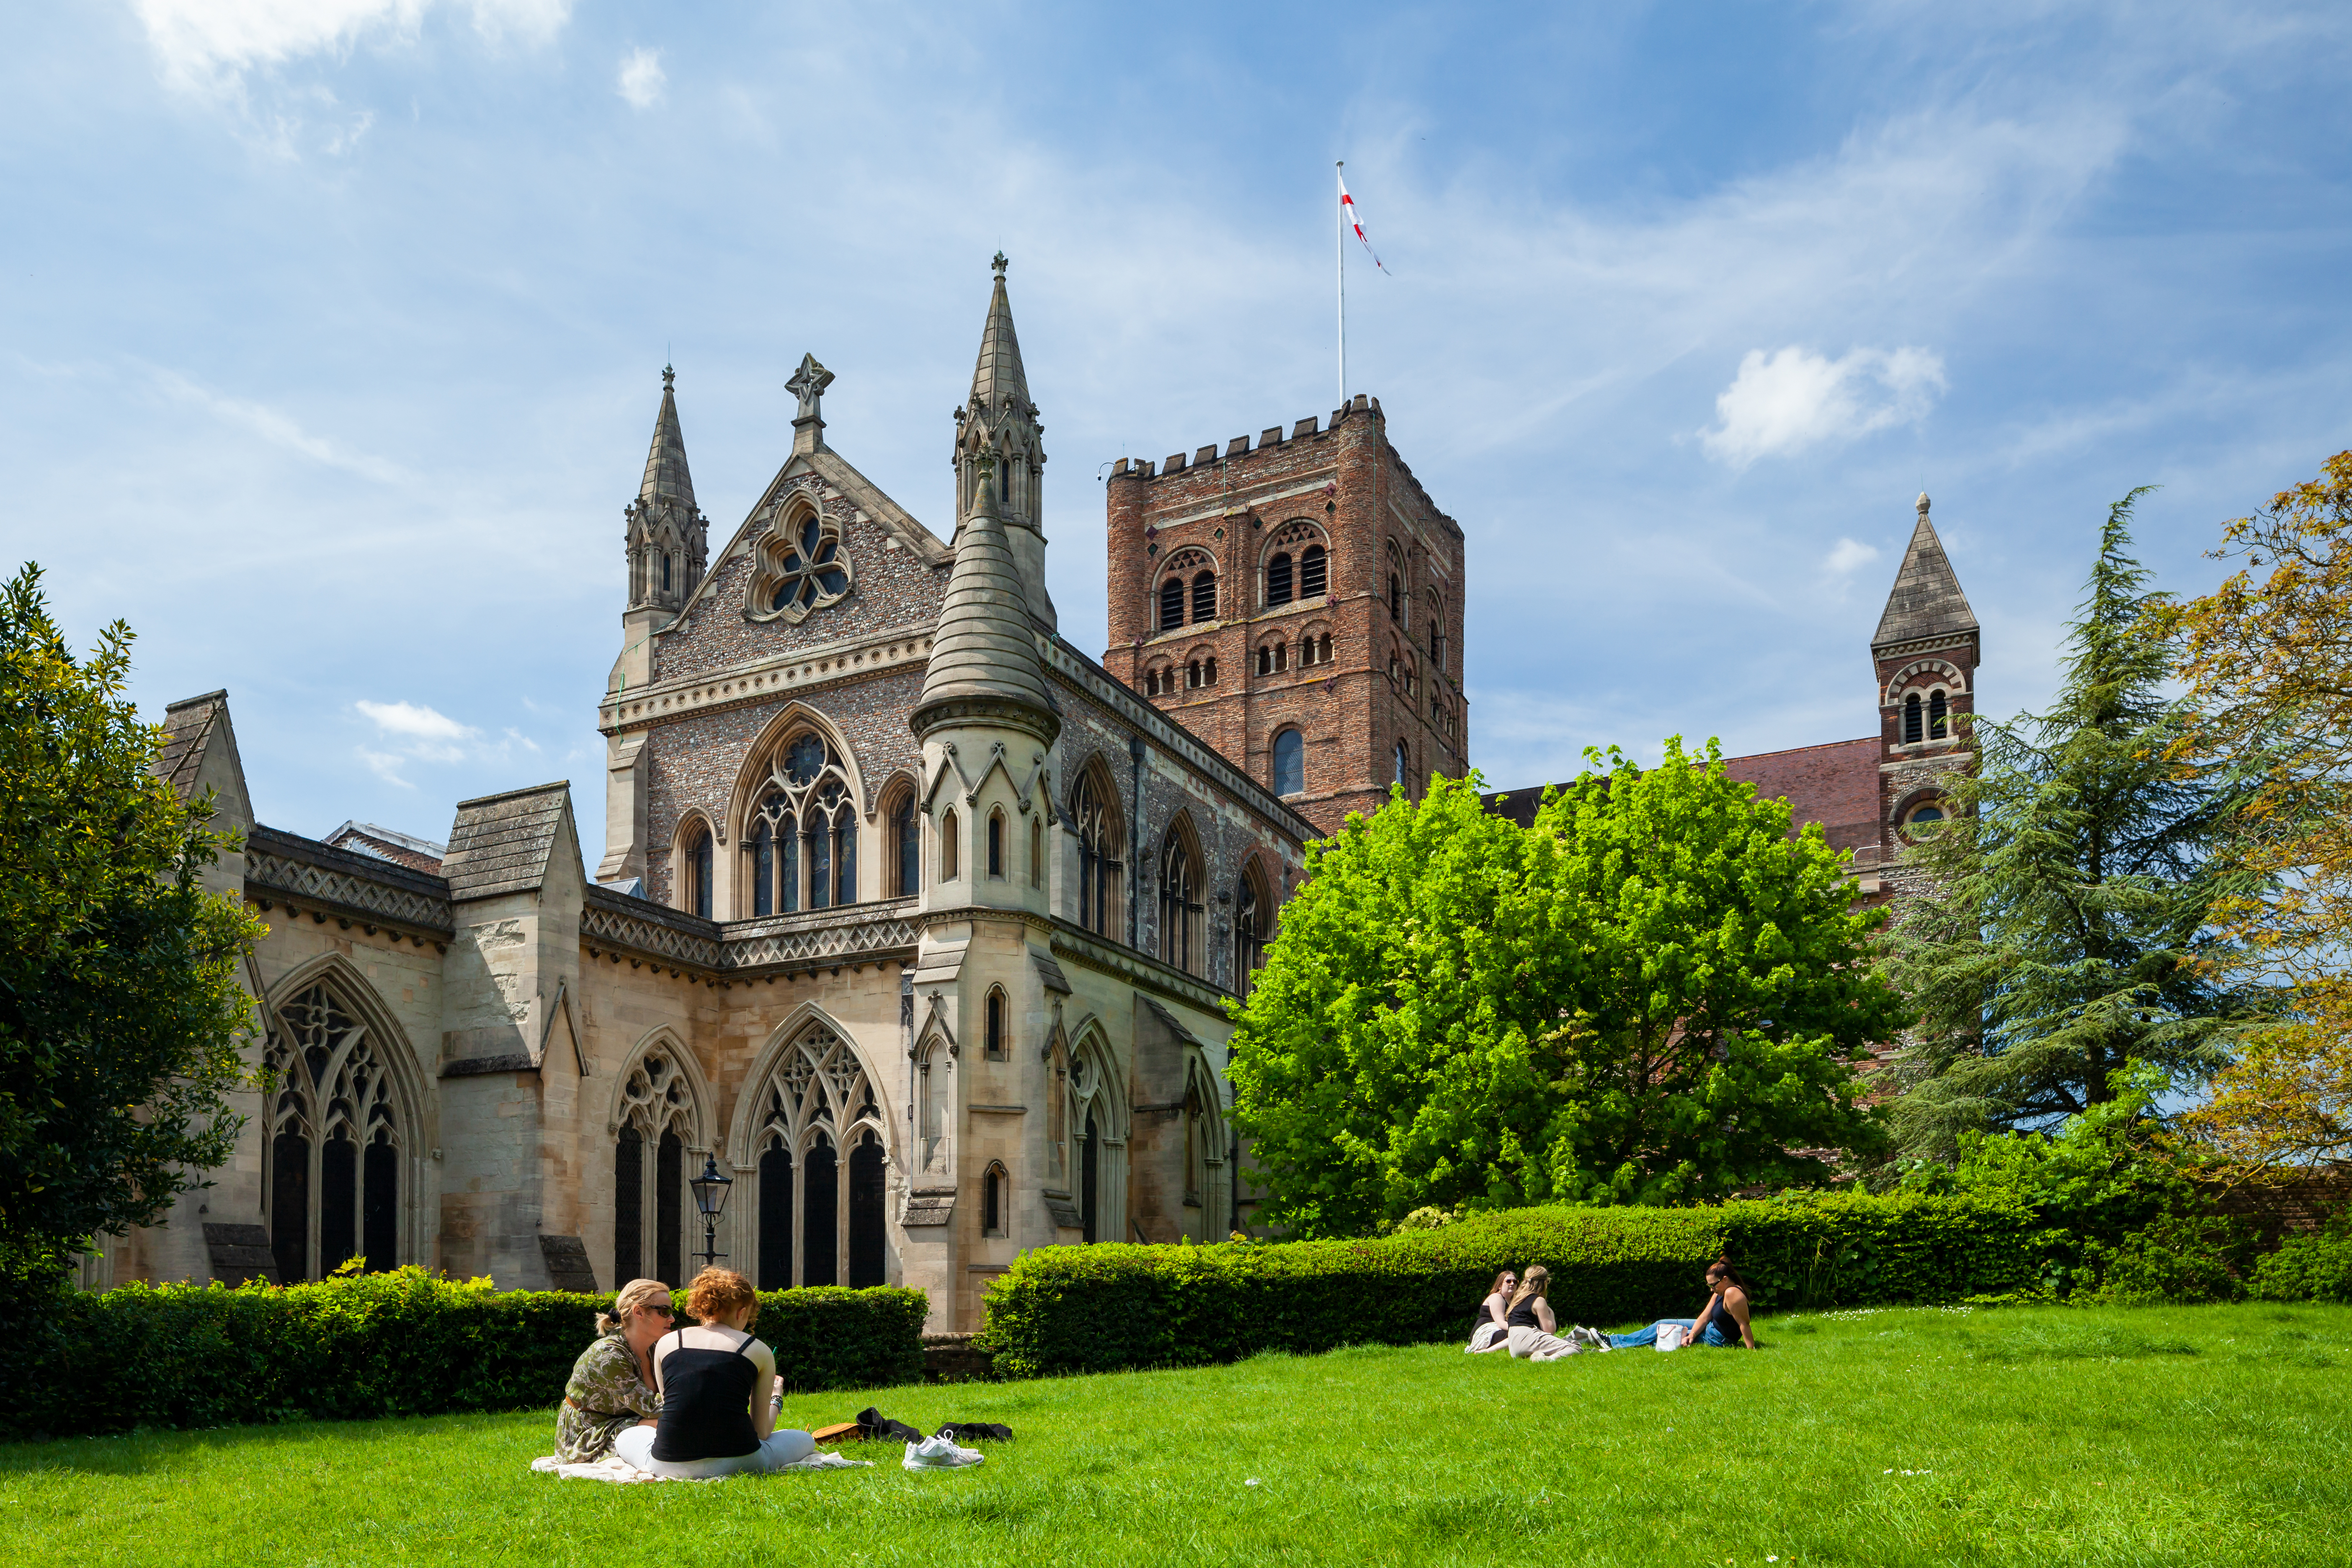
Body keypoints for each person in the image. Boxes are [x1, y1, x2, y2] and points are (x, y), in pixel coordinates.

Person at [612, 1267, 817, 1478]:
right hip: (744, 1461)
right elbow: (762, 1433)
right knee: (804, 1439)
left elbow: (674, 1407)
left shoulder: (667, 1343)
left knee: (627, 1436)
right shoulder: (759, 1350)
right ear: (742, 1312)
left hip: (668, 1463)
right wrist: (776, 1399)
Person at [556, 1277, 668, 1463]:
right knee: (665, 1424)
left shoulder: (654, 1348)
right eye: (665, 1311)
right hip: (586, 1434)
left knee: (670, 1425)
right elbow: (652, 1409)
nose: (672, 1318)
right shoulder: (608, 1355)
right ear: (639, 1312)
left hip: (630, 1422)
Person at [1589, 1260, 1757, 1351]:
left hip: (1718, 1338)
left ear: (1726, 1280)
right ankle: (1615, 1342)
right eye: (1710, 1286)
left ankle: (1613, 1343)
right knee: (1661, 1324)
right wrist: (1692, 1335)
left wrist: (1752, 1350)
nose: (1712, 1289)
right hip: (1711, 1328)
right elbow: (1705, 1317)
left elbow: (1744, 1324)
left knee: (1666, 1337)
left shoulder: (1732, 1293)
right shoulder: (1720, 1292)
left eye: (1714, 1285)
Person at [1503, 1265, 1581, 1361]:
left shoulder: (1517, 1301)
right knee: (1575, 1347)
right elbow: (1549, 1331)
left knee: (1570, 1344)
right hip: (1528, 1337)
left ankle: (1537, 1356)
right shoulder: (1539, 1300)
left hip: (1514, 1347)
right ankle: (1550, 1360)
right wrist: (1551, 1312)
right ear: (1544, 1282)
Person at [1467, 1269, 1517, 1353]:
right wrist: (1521, 1328)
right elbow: (1501, 1324)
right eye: (1508, 1281)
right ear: (1500, 1286)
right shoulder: (1497, 1297)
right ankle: (1488, 1351)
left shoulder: (1513, 1302)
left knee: (1523, 1335)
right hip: (1486, 1332)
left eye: (1515, 1282)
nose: (1512, 1284)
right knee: (1519, 1335)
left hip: (1499, 1331)